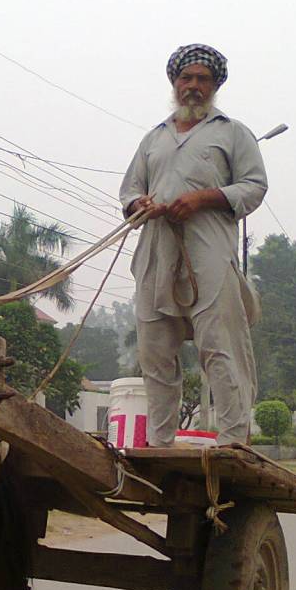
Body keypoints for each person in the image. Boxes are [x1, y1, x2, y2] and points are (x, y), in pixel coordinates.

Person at [119, 43, 267, 447]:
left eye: (203, 79)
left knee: (220, 348)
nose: (193, 86)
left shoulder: (232, 132)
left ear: (215, 85)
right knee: (154, 352)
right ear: (174, 83)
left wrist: (203, 198)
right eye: (186, 78)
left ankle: (233, 442)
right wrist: (139, 204)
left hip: (209, 253)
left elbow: (254, 187)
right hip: (156, 253)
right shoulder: (154, 138)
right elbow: (129, 189)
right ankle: (159, 444)